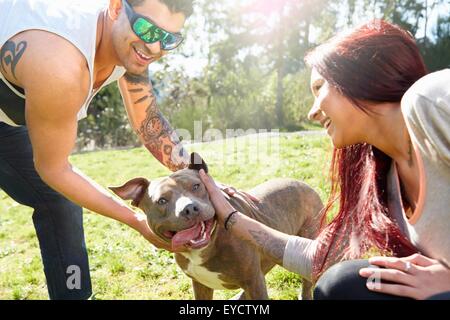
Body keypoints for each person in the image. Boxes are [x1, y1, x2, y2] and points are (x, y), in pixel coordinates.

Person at [199, 20, 450, 300]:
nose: (312, 113)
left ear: (359, 74)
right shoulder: (383, 180)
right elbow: (320, 258)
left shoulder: (431, 101)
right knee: (338, 285)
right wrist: (231, 216)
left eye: (319, 88)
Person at [0, 0, 193, 299]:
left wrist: (203, 179)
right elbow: (53, 169)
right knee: (57, 186)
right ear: (116, 7)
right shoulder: (60, 64)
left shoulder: (128, 44)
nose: (155, 48)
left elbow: (149, 121)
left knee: (59, 201)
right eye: (146, 28)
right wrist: (137, 221)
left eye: (169, 39)